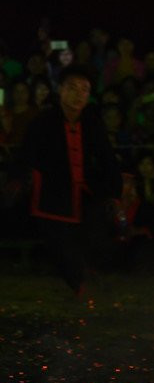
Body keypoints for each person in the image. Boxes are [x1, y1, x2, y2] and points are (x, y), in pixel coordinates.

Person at [16, 65, 122, 296]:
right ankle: (80, 288)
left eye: (84, 90)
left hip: (84, 192)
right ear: (61, 90)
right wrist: (20, 181)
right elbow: (26, 155)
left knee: (97, 234)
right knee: (60, 245)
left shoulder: (92, 122)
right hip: (52, 195)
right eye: (72, 88)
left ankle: (88, 277)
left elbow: (107, 157)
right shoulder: (43, 122)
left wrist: (114, 192)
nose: (78, 94)